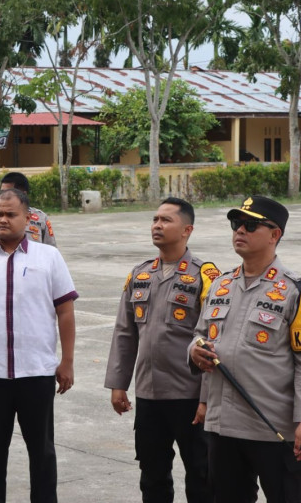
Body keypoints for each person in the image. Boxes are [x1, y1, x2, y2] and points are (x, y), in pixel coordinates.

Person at [188, 195, 301, 503]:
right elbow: (198, 335)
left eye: (251, 225)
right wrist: (194, 353)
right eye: (237, 224)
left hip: (272, 426)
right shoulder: (220, 285)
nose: (240, 231)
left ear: (275, 235)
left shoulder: (297, 292)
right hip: (223, 427)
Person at [0, 188, 77, 503]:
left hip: (37, 372)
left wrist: (67, 361)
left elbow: (65, 312)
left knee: (43, 453)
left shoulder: (48, 257)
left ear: (28, 218)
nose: (2, 220)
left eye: (10, 214)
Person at [105, 198, 219, 503]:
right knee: (152, 473)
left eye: (166, 220)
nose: (157, 225)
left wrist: (207, 398)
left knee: (202, 472)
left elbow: (211, 340)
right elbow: (124, 333)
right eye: (155, 219)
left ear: (187, 230)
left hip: (190, 394)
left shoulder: (205, 276)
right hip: (149, 394)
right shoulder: (139, 274)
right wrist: (119, 384)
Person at [0, 172, 56, 247]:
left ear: (23, 194)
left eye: (9, 192)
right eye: (2, 192)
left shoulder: (41, 218)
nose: (4, 195)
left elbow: (51, 249)